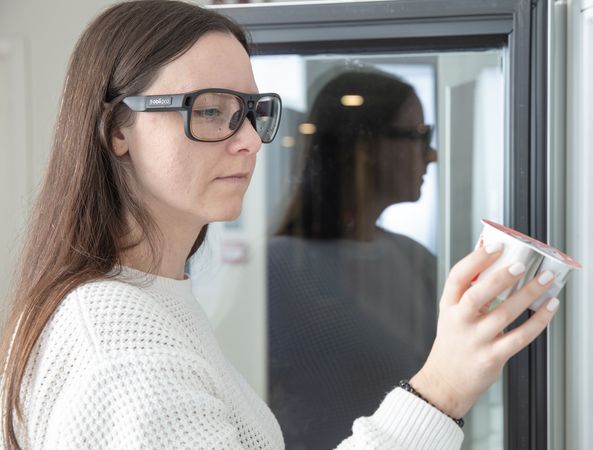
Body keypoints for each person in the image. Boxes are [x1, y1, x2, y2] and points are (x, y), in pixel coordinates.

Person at [0, 1, 560, 449]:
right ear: (117, 130)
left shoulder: (150, 300)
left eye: (248, 111)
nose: (247, 140)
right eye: (210, 109)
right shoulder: (123, 352)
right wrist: (441, 390)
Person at [267, 69, 439, 449]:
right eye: (419, 136)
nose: (433, 155)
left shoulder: (416, 258)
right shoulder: (278, 270)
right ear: (365, 148)